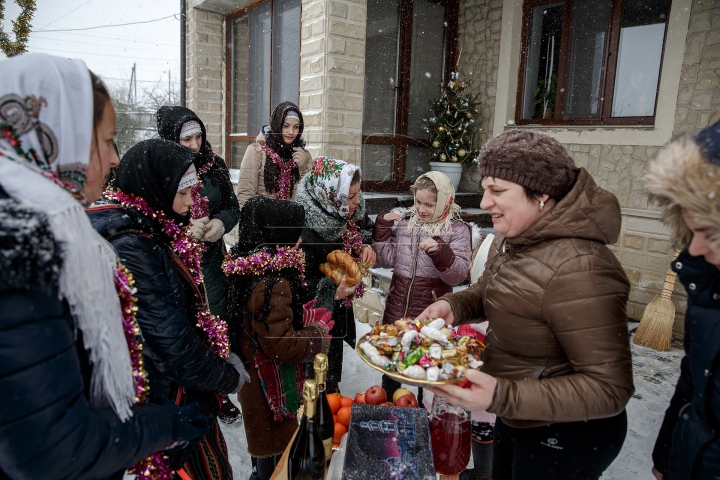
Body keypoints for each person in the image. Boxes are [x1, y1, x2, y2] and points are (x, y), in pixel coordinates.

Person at [0, 53, 208, 480]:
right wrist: (164, 424)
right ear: (63, 139)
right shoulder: (23, 253)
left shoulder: (49, 231)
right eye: (108, 140)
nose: (115, 159)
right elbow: (55, 448)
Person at [418, 130, 634, 480]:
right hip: (516, 411)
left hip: (566, 434)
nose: (485, 202)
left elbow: (610, 388)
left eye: (498, 191)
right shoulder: (516, 238)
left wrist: (503, 394)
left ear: (542, 196)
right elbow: (491, 292)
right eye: (486, 188)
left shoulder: (582, 266)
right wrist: (452, 306)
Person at [88, 138, 250, 480]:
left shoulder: (150, 225)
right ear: (155, 187)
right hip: (168, 399)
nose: (193, 202)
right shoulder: (133, 244)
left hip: (179, 393)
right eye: (184, 193)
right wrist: (226, 376)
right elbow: (171, 342)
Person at [225, 195, 333, 480]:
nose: (300, 239)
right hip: (269, 393)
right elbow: (280, 344)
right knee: (276, 460)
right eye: (295, 233)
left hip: (256, 382)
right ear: (279, 235)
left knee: (267, 456)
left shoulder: (251, 265)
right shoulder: (274, 282)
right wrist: (318, 335)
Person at [156, 105, 242, 424]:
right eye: (186, 139)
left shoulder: (214, 164)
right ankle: (197, 395)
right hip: (179, 263)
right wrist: (183, 231)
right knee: (189, 329)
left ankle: (221, 393)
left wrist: (221, 222)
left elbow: (232, 206)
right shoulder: (163, 169)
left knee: (217, 322)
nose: (194, 145)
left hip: (213, 261)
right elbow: (154, 216)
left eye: (198, 136)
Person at [646, 120, 720, 480]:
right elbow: (693, 384)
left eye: (709, 232)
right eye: (692, 231)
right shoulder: (709, 293)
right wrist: (667, 457)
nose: (696, 249)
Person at [372, 171, 471, 401]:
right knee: (392, 374)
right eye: (418, 202)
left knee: (425, 376)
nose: (422, 209)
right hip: (397, 313)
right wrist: (382, 230)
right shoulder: (407, 223)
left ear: (445, 201)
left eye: (430, 204)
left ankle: (424, 419)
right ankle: (387, 415)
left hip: (431, 318)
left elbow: (457, 276)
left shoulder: (456, 230)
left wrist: (441, 253)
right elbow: (386, 259)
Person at [296, 156, 377, 393]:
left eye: (357, 194)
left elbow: (363, 230)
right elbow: (297, 283)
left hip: (338, 311)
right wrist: (331, 292)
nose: (357, 202)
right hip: (313, 315)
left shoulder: (342, 213)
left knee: (331, 371)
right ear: (329, 195)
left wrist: (363, 246)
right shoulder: (303, 227)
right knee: (314, 373)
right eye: (350, 197)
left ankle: (330, 388)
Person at [236, 101, 313, 208]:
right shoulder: (257, 151)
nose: (291, 132)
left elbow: (311, 197)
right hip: (263, 222)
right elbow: (245, 196)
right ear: (277, 125)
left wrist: (304, 168)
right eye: (286, 126)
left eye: (296, 127)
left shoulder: (304, 155)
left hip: (292, 222)